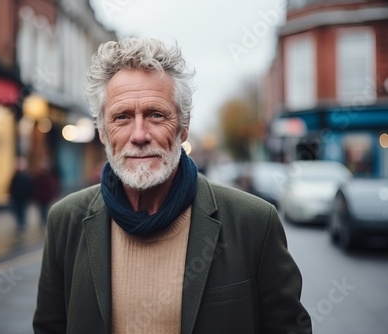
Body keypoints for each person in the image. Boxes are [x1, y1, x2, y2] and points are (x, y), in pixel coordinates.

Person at [33, 37, 312, 334]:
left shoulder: (254, 222)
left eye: (156, 115)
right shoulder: (66, 220)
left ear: (183, 126)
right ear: (102, 132)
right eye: (122, 117)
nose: (139, 135)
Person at [9, 156, 33, 233]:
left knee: (23, 211)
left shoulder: (26, 175)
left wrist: (28, 196)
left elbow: (29, 187)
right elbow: (12, 186)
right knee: (17, 211)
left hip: (23, 197)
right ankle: (19, 224)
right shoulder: (15, 175)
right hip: (16, 197)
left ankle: (23, 224)